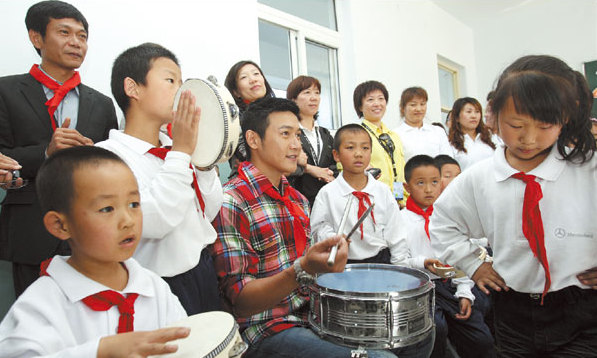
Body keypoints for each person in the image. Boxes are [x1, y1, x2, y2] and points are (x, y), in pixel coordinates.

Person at [211, 98, 404, 358]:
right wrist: (303, 268)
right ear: (253, 140)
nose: (296, 145)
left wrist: (326, 262)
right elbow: (241, 302)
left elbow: (310, 274)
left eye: (298, 135)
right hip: (266, 328)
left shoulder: (297, 199)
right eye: (285, 134)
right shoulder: (231, 202)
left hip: (312, 315)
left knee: (406, 335)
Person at [430, 55, 597, 356]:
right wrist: (474, 264)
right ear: (493, 115)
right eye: (516, 124)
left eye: (545, 125)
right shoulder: (480, 177)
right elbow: (443, 222)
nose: (529, 138)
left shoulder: (588, 168)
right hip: (513, 310)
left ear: (566, 118)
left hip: (582, 308)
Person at [0, 146, 189, 357]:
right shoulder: (42, 304)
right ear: (61, 225)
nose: (128, 220)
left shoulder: (154, 288)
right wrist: (100, 351)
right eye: (107, 209)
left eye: (134, 204)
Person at [0, 0, 118, 297]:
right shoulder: (5, 91)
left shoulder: (102, 104)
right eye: (64, 33)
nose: (76, 43)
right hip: (31, 230)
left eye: (82, 36)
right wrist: (46, 153)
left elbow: (112, 167)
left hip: (90, 231)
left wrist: (95, 159)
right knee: (36, 327)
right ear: (36, 38)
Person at [96, 43, 223, 315]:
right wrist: (181, 153)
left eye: (181, 80)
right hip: (158, 285)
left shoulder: (175, 148)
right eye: (170, 80)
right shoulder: (107, 157)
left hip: (203, 270)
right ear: (133, 88)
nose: (182, 90)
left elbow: (209, 210)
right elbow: (152, 222)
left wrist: (201, 162)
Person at [402, 155, 494, 358]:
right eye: (420, 183)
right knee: (436, 330)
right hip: (421, 289)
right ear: (406, 187)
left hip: (451, 283)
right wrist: (423, 263)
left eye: (434, 182)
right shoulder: (401, 220)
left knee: (481, 339)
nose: (428, 189)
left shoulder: (449, 217)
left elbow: (461, 256)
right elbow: (399, 263)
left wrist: (463, 290)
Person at [311, 124, 408, 265]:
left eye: (365, 148)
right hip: (342, 263)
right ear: (336, 155)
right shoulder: (327, 193)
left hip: (381, 261)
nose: (359, 153)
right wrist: (333, 237)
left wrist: (400, 267)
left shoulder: (382, 191)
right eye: (350, 148)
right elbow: (318, 228)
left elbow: (396, 233)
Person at [286, 75, 336, 206]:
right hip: (297, 202)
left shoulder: (325, 134)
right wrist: (310, 169)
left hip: (326, 202)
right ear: (293, 99)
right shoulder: (288, 132)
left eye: (317, 93)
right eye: (307, 92)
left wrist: (328, 172)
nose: (314, 97)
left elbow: (335, 162)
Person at [353, 80, 405, 202]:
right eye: (370, 100)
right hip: (373, 201)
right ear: (360, 106)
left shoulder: (394, 136)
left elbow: (399, 171)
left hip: (398, 202)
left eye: (381, 99)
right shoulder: (357, 134)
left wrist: (401, 200)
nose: (377, 104)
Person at [224, 60, 275, 177]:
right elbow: (249, 157)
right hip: (248, 184)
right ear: (236, 92)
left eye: (256, 74)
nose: (253, 79)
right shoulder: (234, 119)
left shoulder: (280, 113)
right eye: (244, 77)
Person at [395, 87, 453, 163]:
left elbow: (447, 160)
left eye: (422, 104)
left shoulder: (438, 131)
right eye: (413, 105)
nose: (419, 109)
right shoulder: (395, 135)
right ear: (402, 108)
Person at [448, 97, 497, 171]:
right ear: (457, 117)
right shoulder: (450, 144)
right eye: (469, 112)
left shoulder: (490, 137)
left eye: (477, 112)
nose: (474, 116)